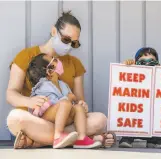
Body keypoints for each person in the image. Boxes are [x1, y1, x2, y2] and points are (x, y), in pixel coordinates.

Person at [6, 11, 115, 149]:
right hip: (35, 120)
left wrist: (82, 104)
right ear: (53, 31)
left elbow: (79, 100)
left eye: (74, 43)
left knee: (100, 119)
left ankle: (36, 141)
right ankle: (71, 137)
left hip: (66, 120)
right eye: (66, 40)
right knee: (15, 118)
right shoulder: (26, 56)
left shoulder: (75, 63)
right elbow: (11, 94)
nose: (69, 46)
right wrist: (30, 101)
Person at [26, 54, 101, 149]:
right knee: (65, 103)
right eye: (54, 60)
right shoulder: (43, 86)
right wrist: (68, 98)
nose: (58, 60)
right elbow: (49, 104)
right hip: (46, 116)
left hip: (63, 116)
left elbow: (71, 104)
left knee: (78, 108)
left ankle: (81, 138)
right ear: (49, 71)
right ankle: (58, 136)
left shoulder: (63, 85)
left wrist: (80, 104)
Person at [119, 47, 161, 149]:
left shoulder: (160, 76)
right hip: (134, 113)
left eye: (151, 62)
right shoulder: (131, 76)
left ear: (158, 64)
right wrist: (126, 66)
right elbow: (120, 77)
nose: (147, 65)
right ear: (136, 63)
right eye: (143, 62)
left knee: (155, 114)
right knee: (130, 115)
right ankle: (128, 136)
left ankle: (154, 138)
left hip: (152, 113)